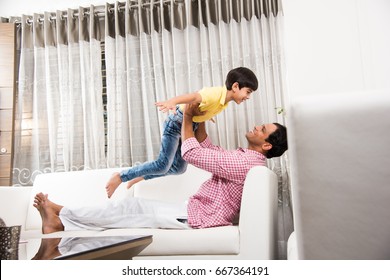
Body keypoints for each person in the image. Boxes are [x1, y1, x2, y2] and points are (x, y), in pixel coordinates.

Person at [33, 103, 287, 233]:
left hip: (198, 218)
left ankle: (62, 218)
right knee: (128, 208)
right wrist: (199, 119)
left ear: (265, 145)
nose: (256, 126)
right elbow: (207, 147)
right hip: (194, 211)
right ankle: (62, 217)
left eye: (261, 129)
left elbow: (192, 152)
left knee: (130, 209)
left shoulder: (246, 162)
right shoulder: (246, 158)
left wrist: (187, 117)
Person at [105, 67, 259, 198]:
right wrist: (172, 102)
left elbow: (204, 107)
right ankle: (120, 176)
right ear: (235, 86)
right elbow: (193, 96)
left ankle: (141, 175)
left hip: (190, 125)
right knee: (162, 164)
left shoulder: (224, 101)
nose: (248, 97)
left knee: (179, 169)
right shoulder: (215, 94)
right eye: (248, 91)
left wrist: (206, 116)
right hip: (176, 123)